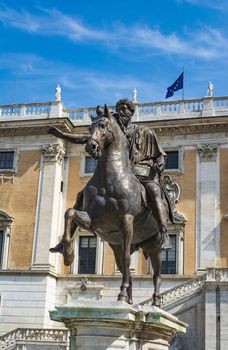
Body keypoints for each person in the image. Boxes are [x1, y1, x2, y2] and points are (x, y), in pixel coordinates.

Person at [113, 98, 172, 249]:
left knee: (154, 192)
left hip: (144, 173)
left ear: (131, 112)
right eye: (118, 109)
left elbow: (159, 155)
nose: (120, 112)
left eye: (124, 109)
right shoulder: (114, 133)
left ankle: (164, 233)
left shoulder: (146, 131)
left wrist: (160, 163)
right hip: (121, 173)